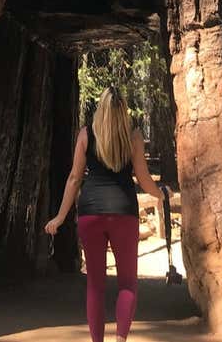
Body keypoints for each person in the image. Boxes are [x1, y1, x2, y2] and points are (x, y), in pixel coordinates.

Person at [45, 86, 166, 342]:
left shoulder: (86, 134)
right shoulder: (133, 136)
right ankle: (120, 339)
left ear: (99, 109)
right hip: (124, 212)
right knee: (127, 284)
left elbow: (74, 178)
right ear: (124, 111)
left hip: (91, 214)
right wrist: (160, 194)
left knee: (95, 286)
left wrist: (60, 216)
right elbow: (143, 179)